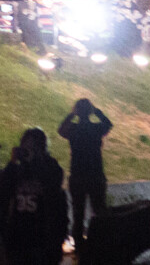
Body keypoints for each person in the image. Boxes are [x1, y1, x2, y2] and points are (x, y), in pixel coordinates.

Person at [0, 127, 66, 265]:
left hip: (43, 239)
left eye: (33, 146)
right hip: (18, 239)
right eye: (25, 146)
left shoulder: (51, 166)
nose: (27, 150)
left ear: (41, 148)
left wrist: (36, 161)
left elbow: (54, 186)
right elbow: (2, 191)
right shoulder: (18, 169)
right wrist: (12, 162)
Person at [57, 98, 112, 256]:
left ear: (77, 112)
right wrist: (97, 112)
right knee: (100, 211)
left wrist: (70, 115)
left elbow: (61, 130)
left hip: (78, 175)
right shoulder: (96, 128)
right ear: (89, 111)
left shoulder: (73, 129)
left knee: (78, 213)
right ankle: (102, 244)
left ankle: (80, 249)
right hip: (95, 174)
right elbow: (108, 124)